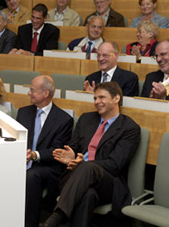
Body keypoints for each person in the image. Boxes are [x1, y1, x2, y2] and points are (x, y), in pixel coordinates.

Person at [43, 82, 141, 227]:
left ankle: (57, 216)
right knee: (88, 195)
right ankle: (58, 218)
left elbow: (115, 164)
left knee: (87, 167)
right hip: (75, 177)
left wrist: (82, 164)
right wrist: (71, 156)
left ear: (116, 99)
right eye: (95, 98)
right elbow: (74, 147)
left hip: (107, 181)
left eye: (102, 98)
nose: (97, 102)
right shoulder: (86, 119)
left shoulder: (129, 128)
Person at [16, 75, 73, 227]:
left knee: (32, 176)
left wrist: (34, 155)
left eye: (32, 90)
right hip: (21, 161)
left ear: (46, 93)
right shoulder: (23, 112)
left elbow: (57, 150)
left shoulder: (64, 120)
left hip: (48, 167)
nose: (29, 93)